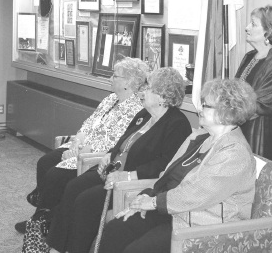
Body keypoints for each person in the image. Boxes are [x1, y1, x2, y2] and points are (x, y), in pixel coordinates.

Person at [97, 78, 257, 253]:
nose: (199, 109)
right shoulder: (198, 137)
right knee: (117, 230)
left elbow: (197, 194)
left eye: (206, 106)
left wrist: (153, 203)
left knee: (137, 250)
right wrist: (144, 197)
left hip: (202, 224)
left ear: (228, 111)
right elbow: (167, 175)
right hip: (172, 211)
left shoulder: (235, 153)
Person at [46, 67, 192, 253]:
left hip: (131, 183)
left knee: (86, 201)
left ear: (163, 96)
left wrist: (127, 176)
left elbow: (165, 165)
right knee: (73, 187)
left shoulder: (177, 125)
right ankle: (57, 248)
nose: (142, 90)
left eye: (148, 87)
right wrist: (109, 155)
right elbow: (123, 141)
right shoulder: (144, 115)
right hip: (113, 172)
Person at [15, 57, 148, 233]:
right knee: (44, 163)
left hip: (93, 155)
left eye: (115, 76)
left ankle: (46, 219)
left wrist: (79, 152)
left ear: (128, 83)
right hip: (81, 145)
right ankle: (43, 216)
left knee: (55, 175)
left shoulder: (135, 110)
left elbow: (114, 142)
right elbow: (89, 123)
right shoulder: (110, 99)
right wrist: (76, 142)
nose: (110, 79)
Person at [234, 5, 272, 166]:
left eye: (253, 24)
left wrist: (227, 111)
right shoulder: (250, 56)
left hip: (262, 139)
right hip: (241, 133)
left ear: (269, 31)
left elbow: (261, 104)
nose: (247, 28)